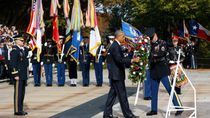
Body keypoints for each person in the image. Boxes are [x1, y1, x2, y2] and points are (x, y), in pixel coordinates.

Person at [146, 30, 183, 116]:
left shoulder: (162, 43)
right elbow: (149, 56)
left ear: (155, 35)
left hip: (162, 70)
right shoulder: (150, 45)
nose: (152, 39)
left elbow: (160, 53)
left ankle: (179, 107)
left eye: (152, 37)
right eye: (150, 38)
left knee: (170, 89)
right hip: (154, 70)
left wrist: (153, 56)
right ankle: (154, 109)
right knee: (154, 91)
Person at [103, 30, 139, 118]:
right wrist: (132, 60)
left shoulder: (116, 45)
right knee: (122, 96)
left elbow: (122, 58)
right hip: (117, 75)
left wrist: (130, 53)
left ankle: (107, 114)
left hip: (116, 75)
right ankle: (128, 115)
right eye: (123, 36)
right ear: (118, 36)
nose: (124, 38)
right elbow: (119, 60)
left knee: (112, 95)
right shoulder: (115, 46)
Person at [10, 34, 29, 116]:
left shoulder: (22, 49)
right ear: (17, 41)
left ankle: (20, 109)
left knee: (22, 93)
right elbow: (13, 64)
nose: (23, 42)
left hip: (23, 74)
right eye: (21, 40)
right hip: (18, 75)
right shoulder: (14, 50)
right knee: (18, 93)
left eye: (23, 40)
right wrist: (15, 74)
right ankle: (17, 110)